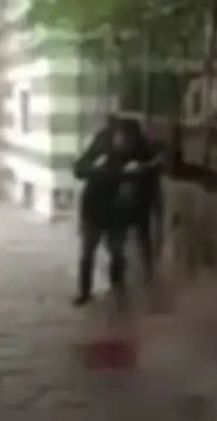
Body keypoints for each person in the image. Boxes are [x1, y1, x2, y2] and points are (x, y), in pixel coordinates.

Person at [72, 115, 138, 307]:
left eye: (126, 138)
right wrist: (98, 170)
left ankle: (118, 291)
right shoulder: (100, 146)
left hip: (116, 210)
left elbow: (147, 166)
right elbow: (79, 169)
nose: (123, 142)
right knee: (88, 251)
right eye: (119, 137)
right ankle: (85, 292)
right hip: (94, 206)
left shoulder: (135, 150)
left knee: (117, 252)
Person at [122, 119, 164, 283]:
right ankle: (132, 273)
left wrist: (144, 167)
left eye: (129, 134)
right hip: (131, 200)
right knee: (128, 238)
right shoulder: (124, 149)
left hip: (143, 199)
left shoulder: (145, 148)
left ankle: (147, 273)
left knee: (143, 237)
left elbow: (159, 161)